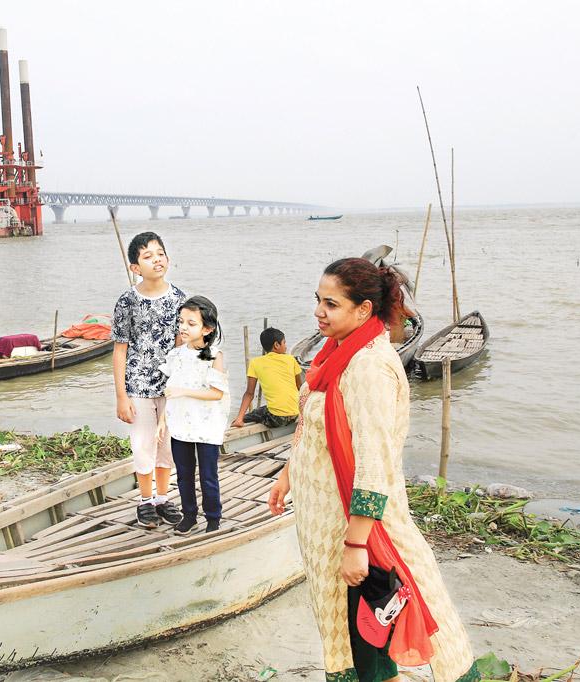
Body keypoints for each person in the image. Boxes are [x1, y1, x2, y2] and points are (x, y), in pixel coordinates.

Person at [268, 258, 477, 682]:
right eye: (318, 300)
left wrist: (356, 544)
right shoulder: (335, 354)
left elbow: (374, 462)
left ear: (363, 310)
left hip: (357, 527)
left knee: (370, 633)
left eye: (331, 303)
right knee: (364, 635)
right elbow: (314, 427)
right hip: (328, 524)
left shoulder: (368, 367)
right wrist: (290, 471)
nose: (318, 312)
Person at [111, 232, 185, 529]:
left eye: (160, 253)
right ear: (135, 267)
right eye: (148, 256)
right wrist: (121, 396)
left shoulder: (179, 298)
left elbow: (183, 346)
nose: (157, 259)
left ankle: (163, 498)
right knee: (143, 444)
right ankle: (145, 500)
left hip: (170, 387)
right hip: (138, 386)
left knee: (167, 444)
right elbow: (119, 350)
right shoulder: (128, 301)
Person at [156, 296, 228, 535]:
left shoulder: (213, 356)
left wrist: (183, 391)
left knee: (208, 475)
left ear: (207, 329)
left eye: (191, 323)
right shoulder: (176, 355)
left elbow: (217, 394)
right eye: (181, 322)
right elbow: (170, 391)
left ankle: (213, 518)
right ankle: (189, 516)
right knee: (184, 474)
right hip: (180, 424)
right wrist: (161, 421)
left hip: (206, 426)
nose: (183, 327)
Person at [231, 327, 304, 428]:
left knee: (252, 414)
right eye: (284, 343)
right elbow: (300, 387)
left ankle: (237, 421)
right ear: (276, 345)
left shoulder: (255, 363)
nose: (286, 347)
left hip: (277, 419)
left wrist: (240, 418)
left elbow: (249, 393)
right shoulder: (291, 359)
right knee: (265, 409)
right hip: (295, 414)